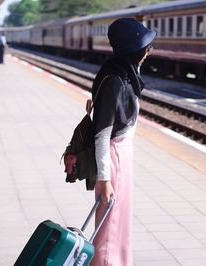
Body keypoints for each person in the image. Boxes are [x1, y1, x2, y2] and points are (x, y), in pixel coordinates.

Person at [90, 18, 155, 266]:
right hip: (114, 157)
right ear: (134, 49)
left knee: (118, 224)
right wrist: (104, 179)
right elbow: (102, 134)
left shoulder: (122, 75)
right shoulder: (117, 81)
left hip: (121, 154)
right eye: (146, 47)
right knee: (111, 225)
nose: (149, 52)